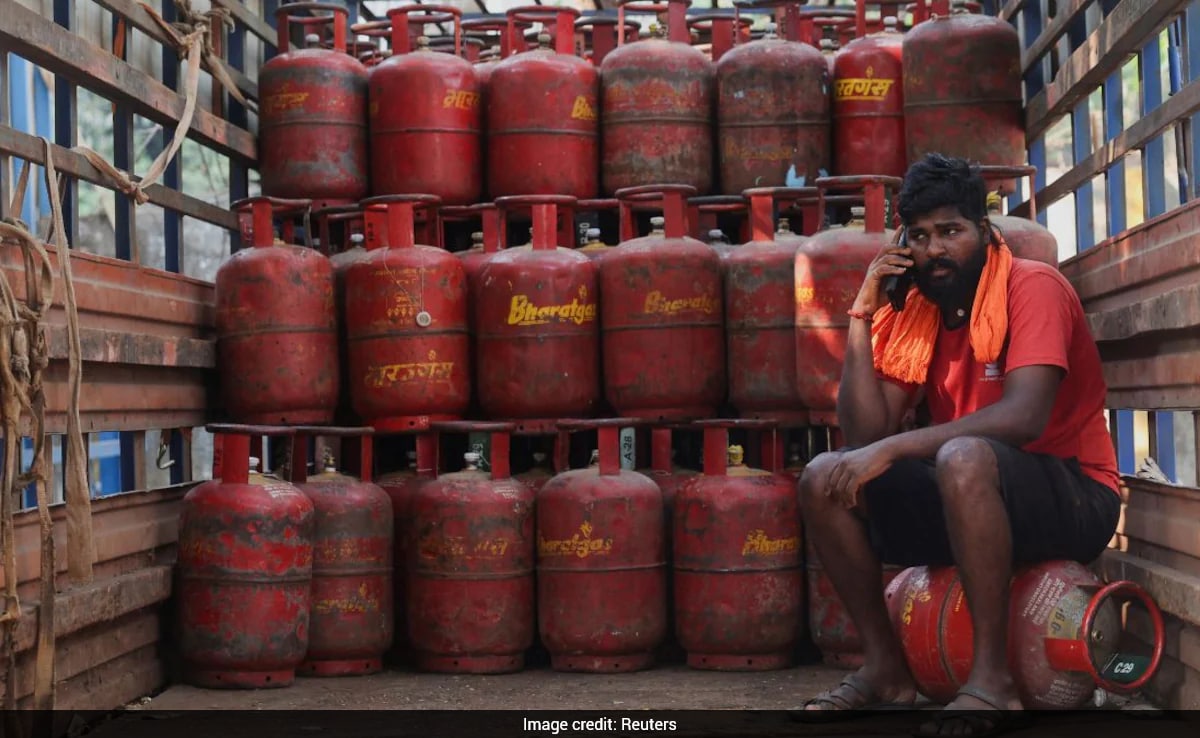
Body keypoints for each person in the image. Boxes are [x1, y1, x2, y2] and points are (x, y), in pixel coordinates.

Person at [794, 154, 1121, 736]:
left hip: (1072, 494)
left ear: (984, 230)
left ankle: (992, 681)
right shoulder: (917, 310)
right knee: (824, 476)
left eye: (951, 231)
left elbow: (1023, 417)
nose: (934, 250)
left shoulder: (1032, 286)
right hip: (966, 493)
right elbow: (864, 436)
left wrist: (896, 450)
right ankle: (887, 670)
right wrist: (861, 315)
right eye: (918, 236)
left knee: (962, 456)